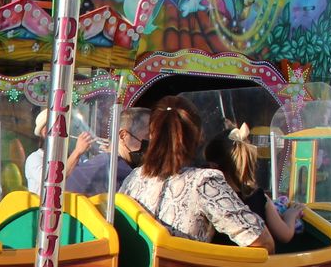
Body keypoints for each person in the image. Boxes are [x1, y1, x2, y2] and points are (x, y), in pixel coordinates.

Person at [119, 96, 274, 250]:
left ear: (152, 135)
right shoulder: (203, 182)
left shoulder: (133, 179)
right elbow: (262, 242)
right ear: (197, 136)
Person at [204, 123, 298, 247]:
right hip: (253, 263)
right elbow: (285, 235)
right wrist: (290, 216)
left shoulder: (210, 198)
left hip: (219, 261)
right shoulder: (259, 197)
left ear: (213, 166)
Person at [67, 107, 149, 195]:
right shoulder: (123, 174)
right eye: (148, 137)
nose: (153, 144)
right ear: (123, 136)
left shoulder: (94, 165)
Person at [24, 107, 95, 196]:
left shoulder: (69, 157)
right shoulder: (34, 159)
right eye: (60, 127)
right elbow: (52, 179)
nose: (66, 132)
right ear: (46, 132)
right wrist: (77, 152)